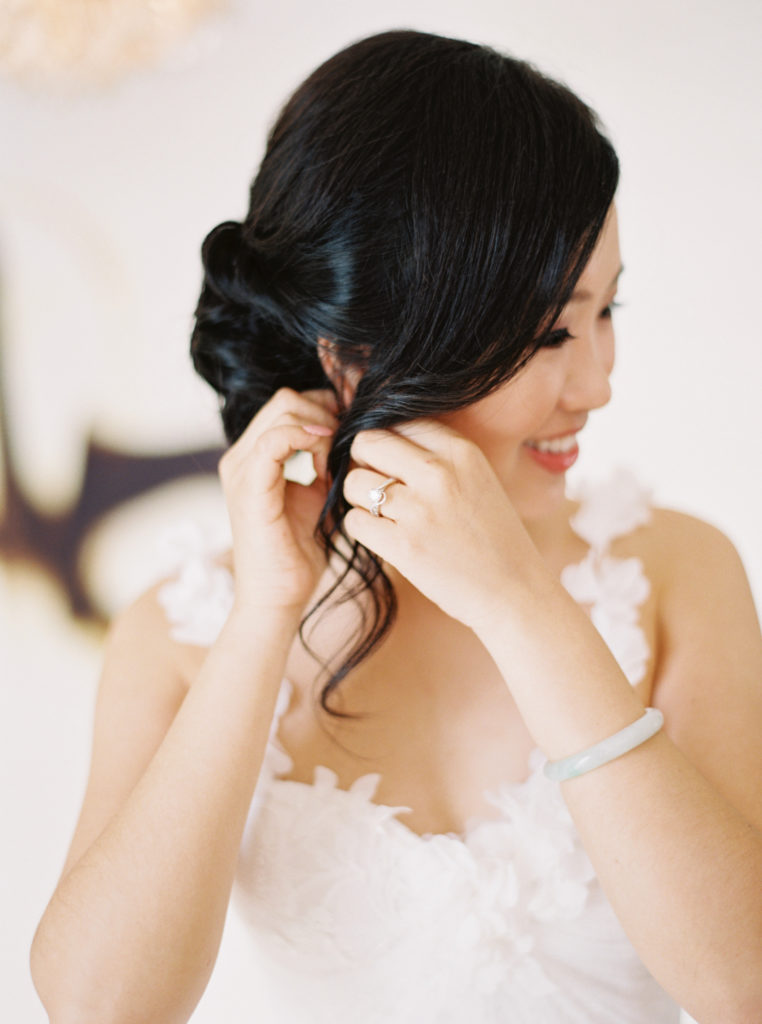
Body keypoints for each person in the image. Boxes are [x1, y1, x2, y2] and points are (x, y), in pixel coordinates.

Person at [31, 29, 762, 1024]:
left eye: (607, 312)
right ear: (353, 352)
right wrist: (265, 613)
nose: (597, 383)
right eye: (552, 330)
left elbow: (742, 984)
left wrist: (521, 604)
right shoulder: (179, 631)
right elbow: (100, 1006)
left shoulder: (678, 569)